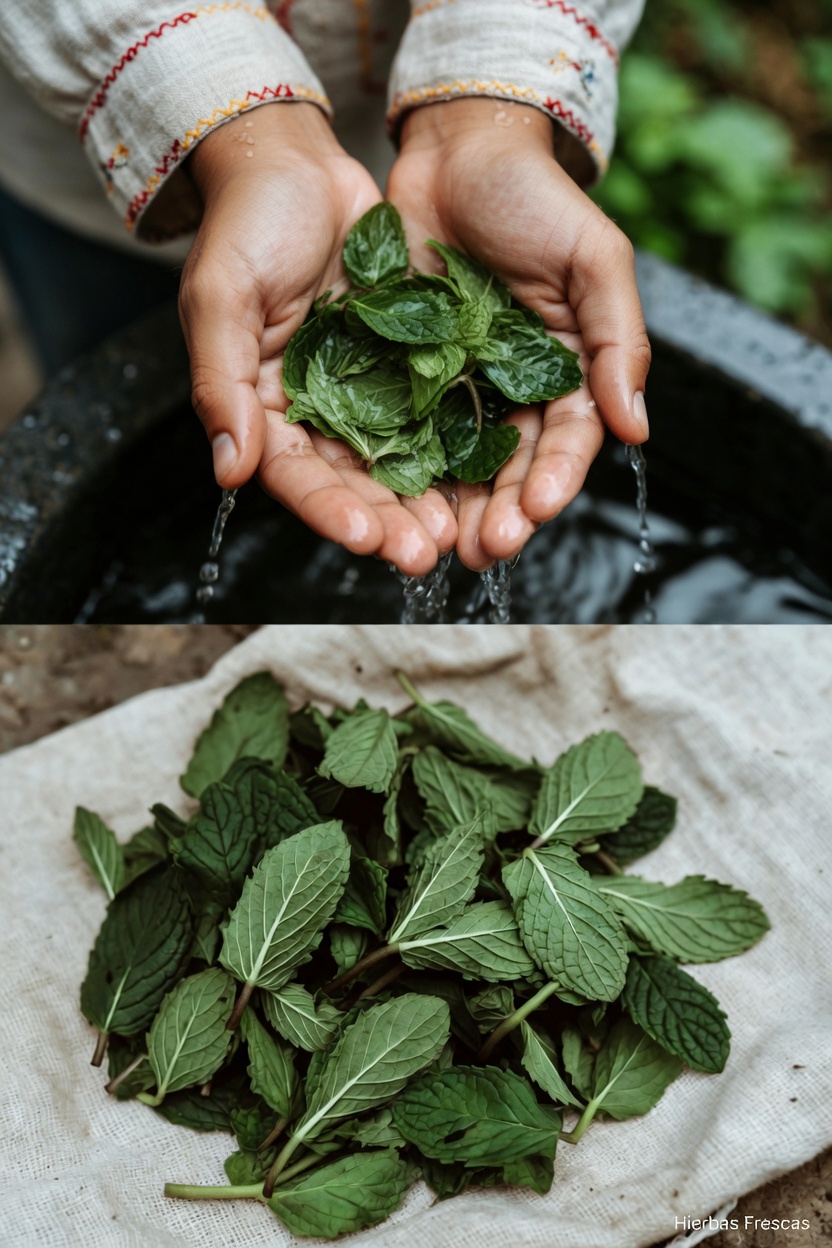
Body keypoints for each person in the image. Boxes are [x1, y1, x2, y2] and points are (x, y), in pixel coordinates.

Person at [0, 0, 650, 576]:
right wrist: (249, 138)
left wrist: (487, 119)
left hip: (409, 144)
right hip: (95, 172)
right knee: (111, 381)